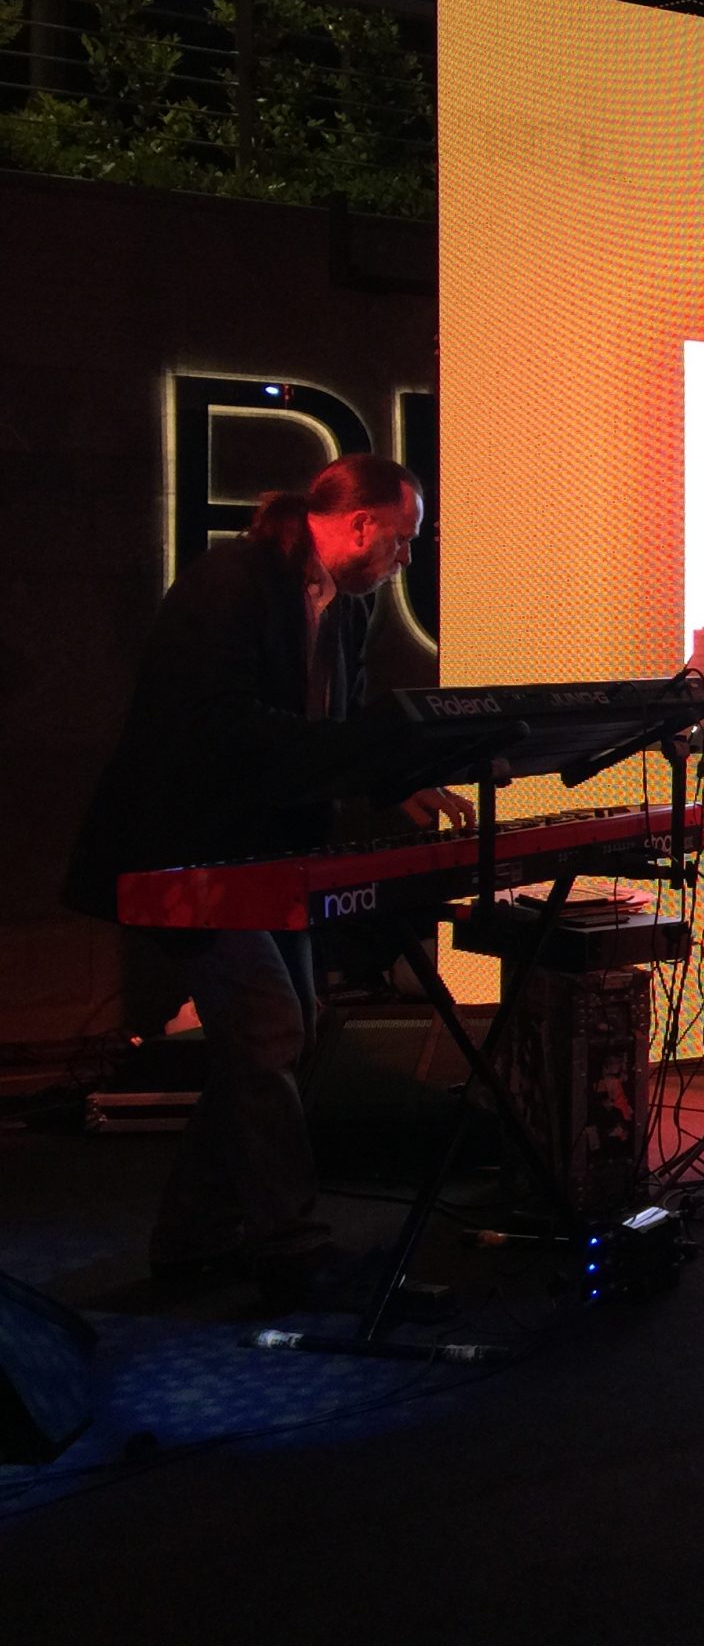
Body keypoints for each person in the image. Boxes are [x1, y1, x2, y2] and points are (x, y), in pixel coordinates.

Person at [64, 453, 473, 1297]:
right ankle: (290, 1247)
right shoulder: (233, 581)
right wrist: (378, 758)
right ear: (359, 523)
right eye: (403, 540)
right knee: (267, 1029)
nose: (405, 560)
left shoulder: (346, 607)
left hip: (265, 856)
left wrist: (393, 781)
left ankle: (192, 1239)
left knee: (283, 1035)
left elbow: (331, 727)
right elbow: (229, 730)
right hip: (190, 851)